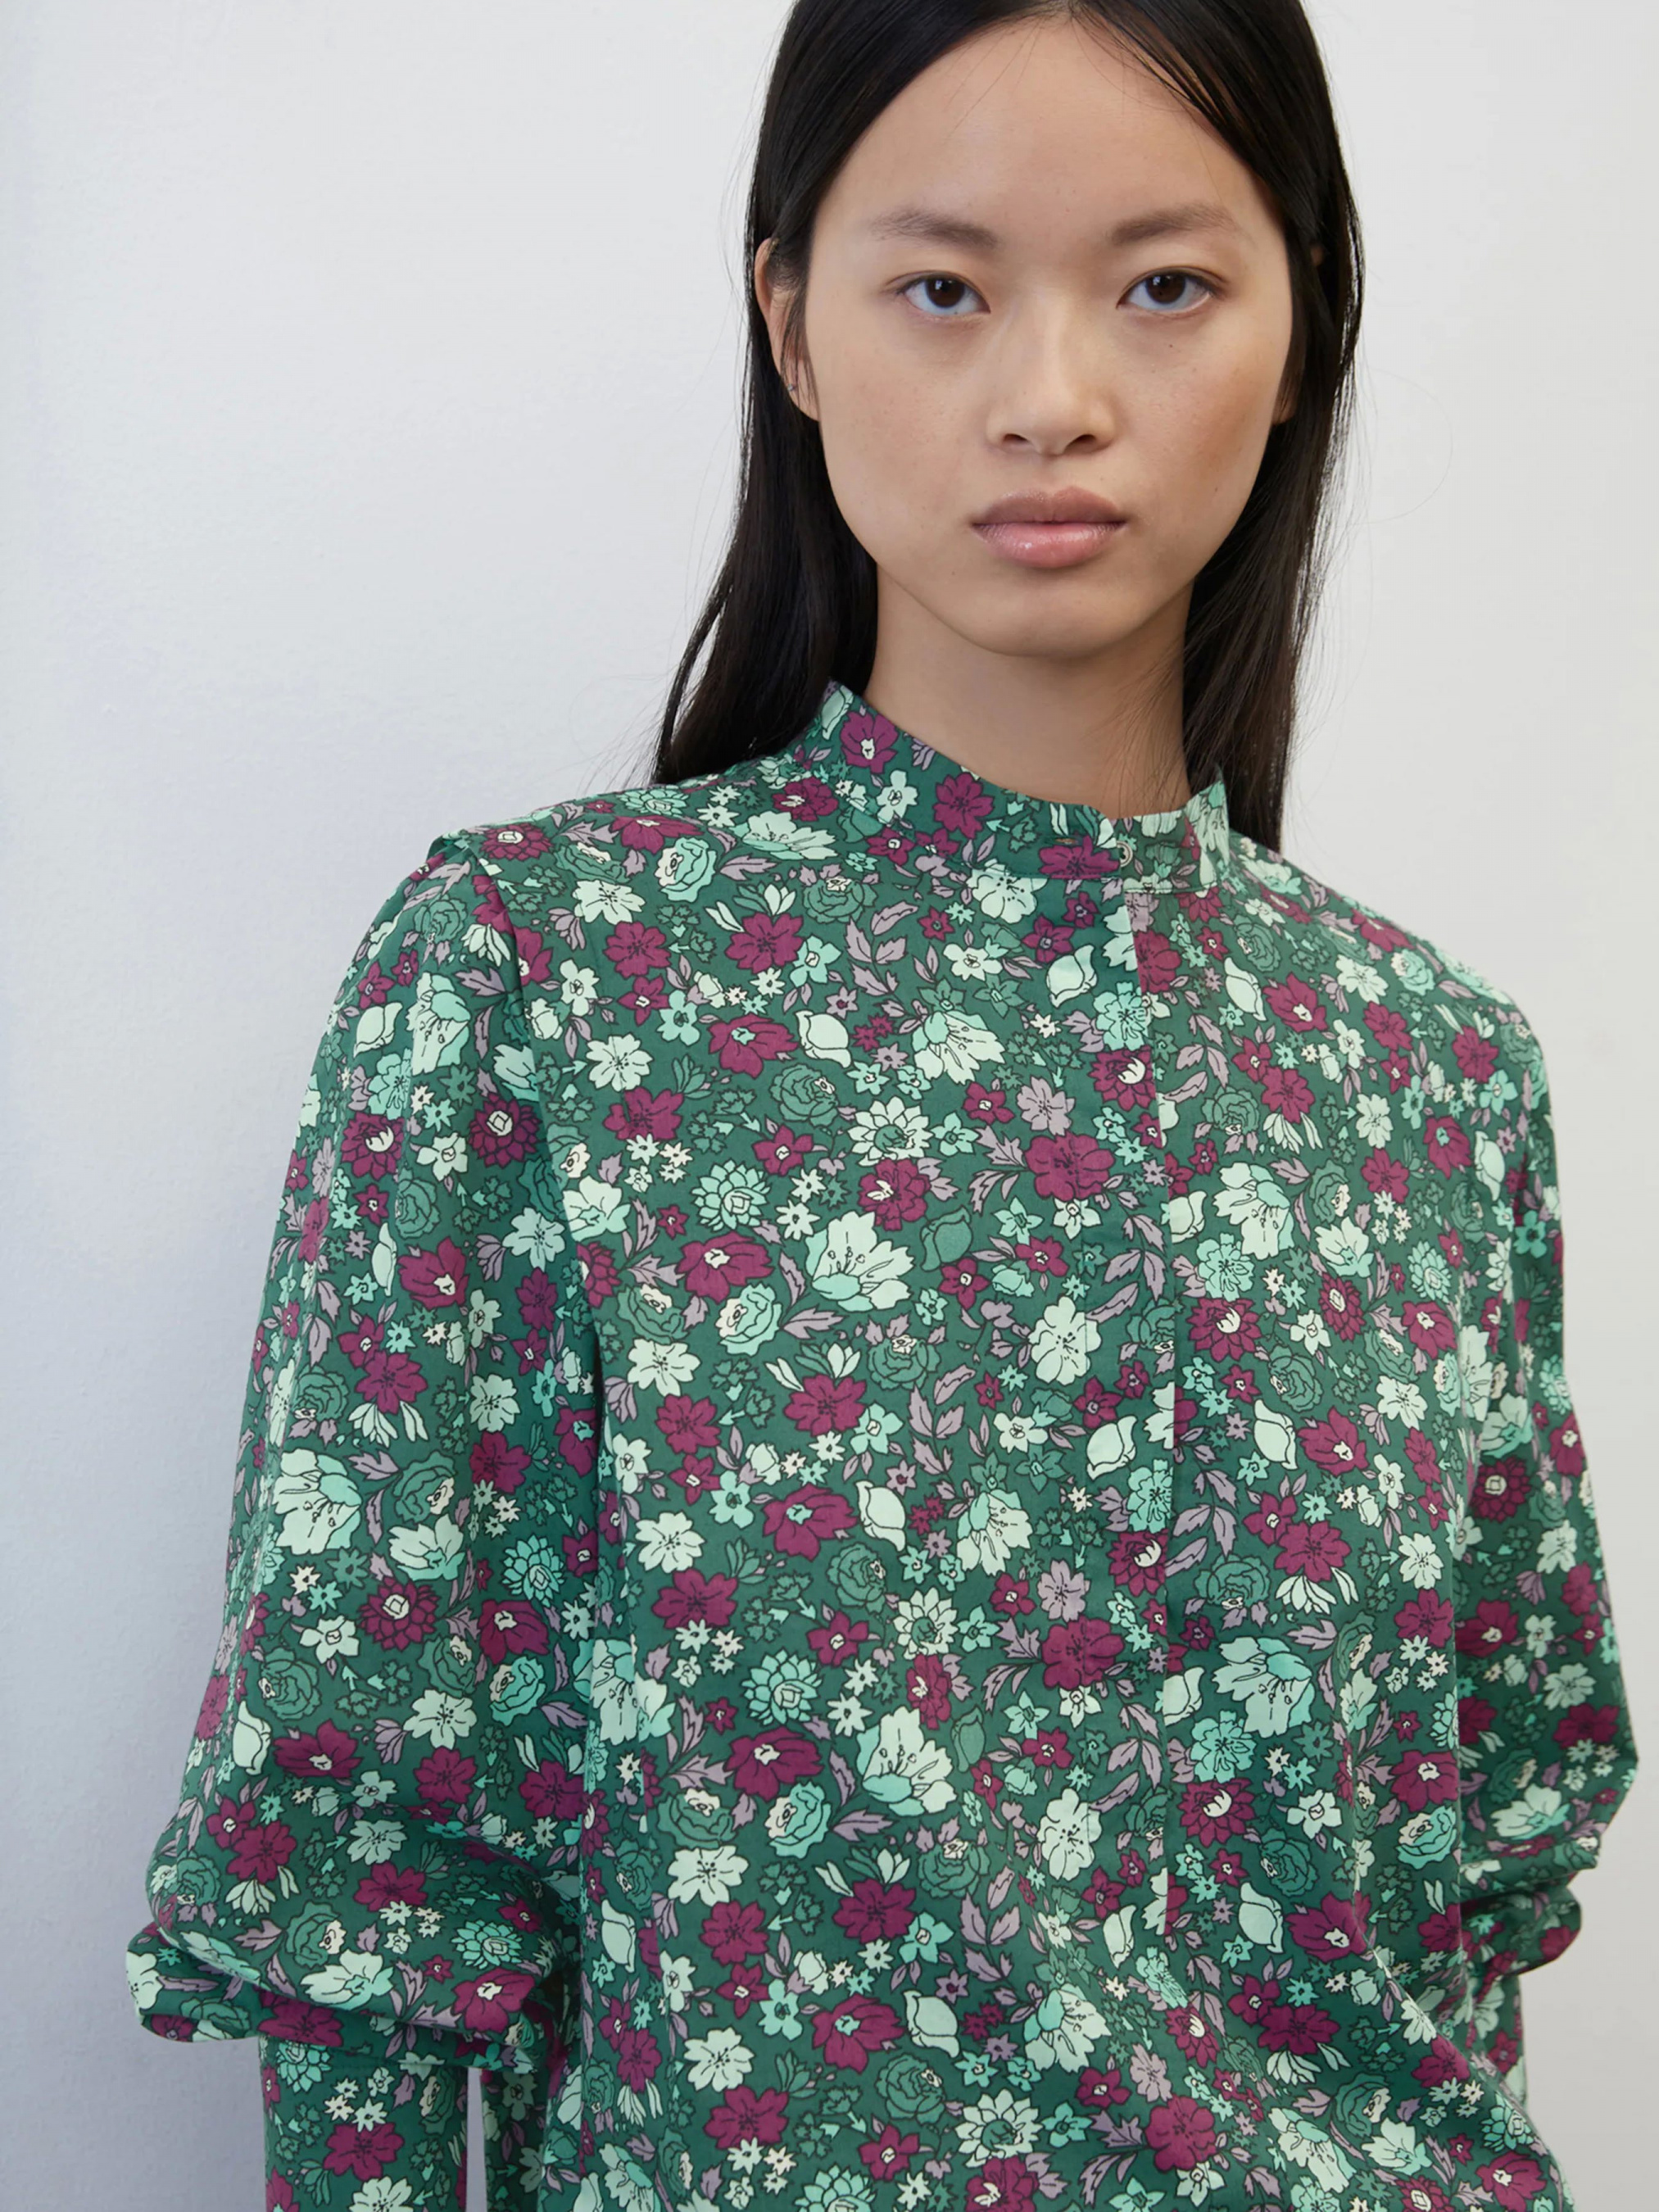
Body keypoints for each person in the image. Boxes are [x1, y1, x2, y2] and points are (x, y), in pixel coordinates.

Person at [127, 3, 1638, 2207]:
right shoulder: (544, 982)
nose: (1054, 395)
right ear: (791, 323)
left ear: (1303, 324)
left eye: (1166, 283)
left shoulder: (1432, 1066)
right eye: (943, 286)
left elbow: (1472, 1882)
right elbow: (360, 1881)